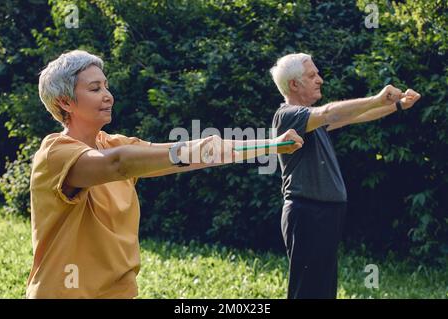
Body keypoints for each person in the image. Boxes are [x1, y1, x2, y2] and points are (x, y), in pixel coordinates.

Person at [27, 50, 304, 298]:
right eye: (95, 88)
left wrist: (271, 144)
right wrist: (182, 153)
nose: (108, 95)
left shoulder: (114, 144)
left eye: (106, 86)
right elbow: (117, 165)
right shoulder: (56, 153)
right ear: (65, 102)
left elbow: (200, 153)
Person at [270, 53, 421, 299]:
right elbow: (330, 112)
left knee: (322, 291)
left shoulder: (311, 120)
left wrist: (396, 105)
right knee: (307, 292)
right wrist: (377, 97)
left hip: (325, 213)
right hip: (308, 213)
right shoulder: (289, 115)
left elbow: (356, 115)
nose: (320, 80)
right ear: (294, 85)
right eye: (312, 75)